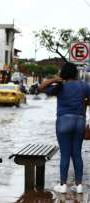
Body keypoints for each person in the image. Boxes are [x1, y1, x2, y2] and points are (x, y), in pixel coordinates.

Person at [39, 62, 90, 194]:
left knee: (65, 154)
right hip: (79, 121)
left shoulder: (60, 86)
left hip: (64, 121)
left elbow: (41, 87)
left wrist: (55, 79)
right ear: (75, 73)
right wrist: (84, 102)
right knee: (77, 154)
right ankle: (79, 186)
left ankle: (63, 185)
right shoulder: (83, 85)